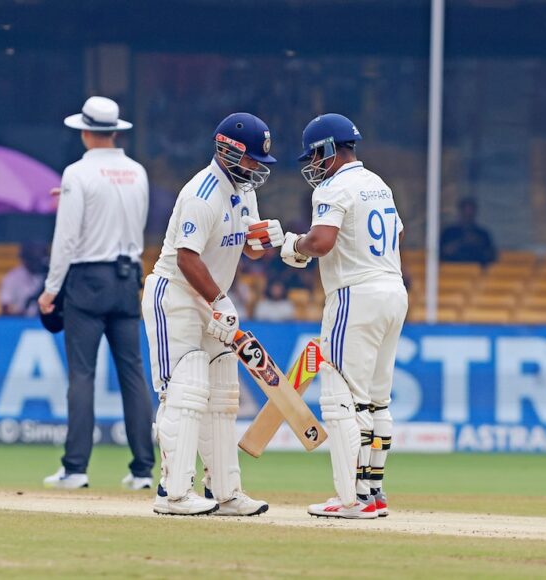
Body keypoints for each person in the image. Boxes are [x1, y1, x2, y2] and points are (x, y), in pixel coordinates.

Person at [142, 112, 280, 516]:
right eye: (253, 160)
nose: (257, 169)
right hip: (177, 297)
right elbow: (186, 258)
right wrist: (219, 301)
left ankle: (225, 494)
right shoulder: (202, 192)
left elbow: (247, 245)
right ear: (228, 151)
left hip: (210, 298)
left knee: (222, 396)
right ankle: (173, 493)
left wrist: (265, 238)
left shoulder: (244, 189)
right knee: (184, 392)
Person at [275, 113, 408, 519]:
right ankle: (372, 493)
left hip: (356, 294)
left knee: (342, 399)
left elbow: (321, 241)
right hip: (393, 289)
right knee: (375, 402)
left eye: (315, 154)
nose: (313, 164)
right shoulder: (378, 184)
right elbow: (397, 234)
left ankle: (350, 499)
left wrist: (291, 245)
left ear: (331, 150)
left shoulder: (334, 186)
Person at [38, 96, 155, 490]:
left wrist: (51, 289)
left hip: (88, 280)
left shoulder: (77, 173)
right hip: (128, 277)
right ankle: (142, 470)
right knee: (134, 374)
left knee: (82, 375)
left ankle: (75, 468)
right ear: (115, 130)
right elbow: (129, 219)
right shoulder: (137, 172)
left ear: (85, 132)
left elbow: (67, 238)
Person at [440, 197, 496, 266]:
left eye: (470, 215)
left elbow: (491, 256)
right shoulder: (448, 232)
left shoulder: (482, 234)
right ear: (460, 213)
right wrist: (461, 242)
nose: (467, 218)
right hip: (452, 271)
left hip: (477, 273)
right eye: (465, 214)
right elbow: (442, 253)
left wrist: (477, 243)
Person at [0, 243, 48, 316]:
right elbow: (6, 307)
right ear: (24, 259)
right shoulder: (12, 278)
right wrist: (22, 313)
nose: (36, 263)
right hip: (20, 322)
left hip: (45, 322)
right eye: (32, 259)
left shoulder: (49, 277)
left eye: (39, 259)